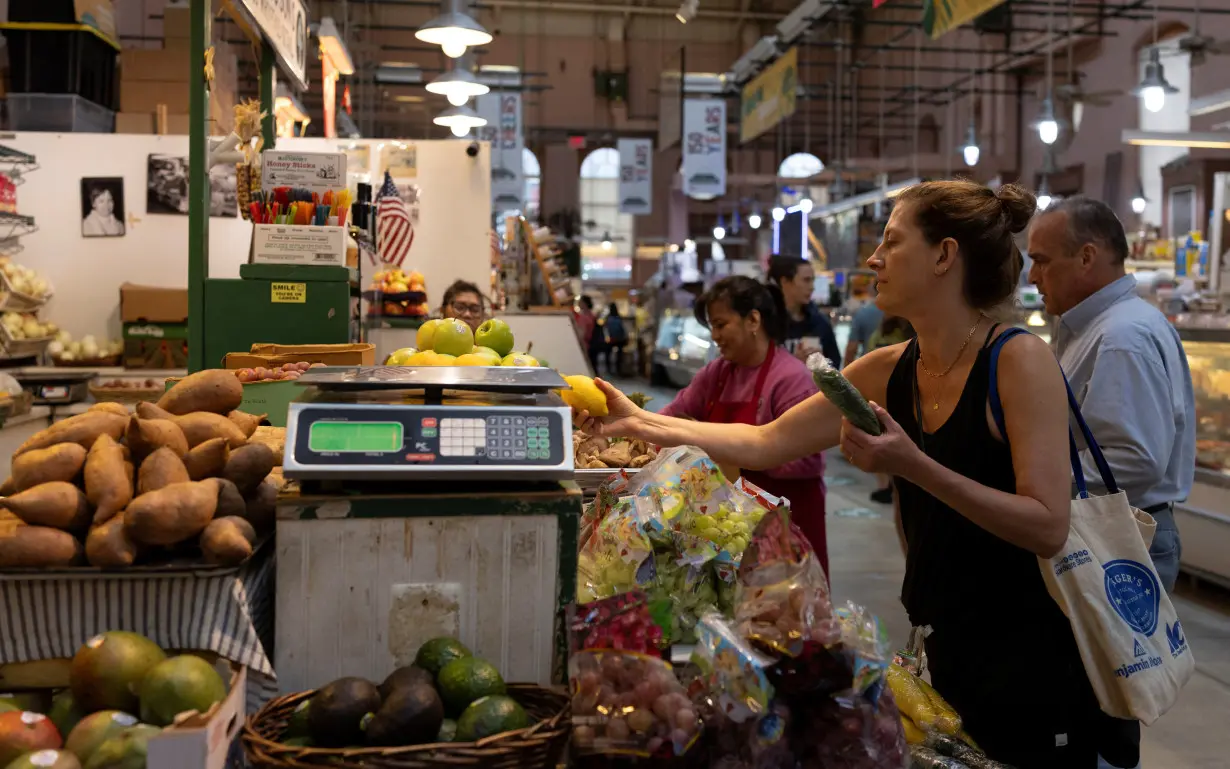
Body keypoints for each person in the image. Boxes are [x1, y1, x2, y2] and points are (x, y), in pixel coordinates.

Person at [574, 180, 1139, 769]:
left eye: (892, 243)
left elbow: (1048, 524)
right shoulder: (888, 369)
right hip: (937, 639)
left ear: (945, 256)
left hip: (1028, 653)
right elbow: (768, 441)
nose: (873, 259)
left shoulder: (1018, 361)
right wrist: (643, 424)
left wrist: (911, 466)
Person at [1027, 196, 1194, 593]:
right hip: (1103, 531)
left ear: (1086, 257)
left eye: (1041, 260)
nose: (1033, 276)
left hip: (1117, 538)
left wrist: (1033, 477)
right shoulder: (1097, 328)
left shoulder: (1121, 337)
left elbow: (1134, 459)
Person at [656, 275, 829, 576]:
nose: (714, 335)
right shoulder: (718, 374)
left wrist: (736, 456)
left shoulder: (790, 379)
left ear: (753, 320)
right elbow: (673, 414)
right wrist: (637, 430)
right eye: (711, 326)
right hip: (730, 524)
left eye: (721, 324)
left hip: (787, 522)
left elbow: (809, 460)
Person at [866, 315, 915, 505]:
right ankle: (887, 486)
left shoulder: (884, 334)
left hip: (898, 399)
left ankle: (890, 486)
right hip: (885, 399)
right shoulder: (884, 333)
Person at [766, 256, 841, 368]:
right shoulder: (766, 324)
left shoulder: (819, 323)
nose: (811, 287)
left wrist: (822, 365)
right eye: (806, 280)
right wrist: (794, 363)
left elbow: (835, 365)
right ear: (785, 282)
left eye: (812, 280)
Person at [844, 291, 884, 365]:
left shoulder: (862, 313)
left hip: (870, 366)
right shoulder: (904, 315)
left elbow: (851, 349)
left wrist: (846, 373)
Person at [603, 303, 629, 376]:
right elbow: (622, 328)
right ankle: (618, 369)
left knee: (608, 354)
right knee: (619, 355)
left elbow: (606, 328)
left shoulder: (608, 318)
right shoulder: (618, 317)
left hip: (611, 339)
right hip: (619, 339)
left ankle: (609, 369)